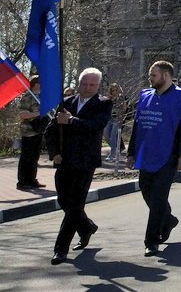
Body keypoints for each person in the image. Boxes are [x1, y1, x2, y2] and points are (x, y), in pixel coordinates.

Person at [44, 68, 112, 265]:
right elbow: (51, 130)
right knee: (64, 201)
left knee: (74, 205)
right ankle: (87, 227)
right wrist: (54, 152)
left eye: (92, 85)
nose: (87, 88)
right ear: (79, 82)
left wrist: (71, 120)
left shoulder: (103, 103)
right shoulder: (67, 102)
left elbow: (95, 126)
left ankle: (60, 249)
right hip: (64, 160)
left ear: (98, 86)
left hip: (85, 161)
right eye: (84, 84)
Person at [127, 61, 181, 256]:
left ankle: (151, 240)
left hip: (169, 155)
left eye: (153, 75)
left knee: (158, 198)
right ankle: (168, 220)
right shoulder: (145, 96)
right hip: (147, 153)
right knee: (147, 191)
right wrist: (131, 152)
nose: (150, 78)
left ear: (166, 76)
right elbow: (137, 127)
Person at [17, 76, 46, 191]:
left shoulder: (41, 97)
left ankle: (32, 179)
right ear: (36, 84)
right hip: (28, 131)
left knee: (34, 157)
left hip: (38, 130)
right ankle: (23, 181)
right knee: (27, 157)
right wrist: (39, 113)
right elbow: (22, 115)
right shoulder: (27, 97)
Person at [103, 83, 128, 163]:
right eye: (112, 90)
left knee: (113, 136)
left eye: (115, 90)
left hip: (118, 119)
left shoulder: (121, 97)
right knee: (106, 135)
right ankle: (117, 149)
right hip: (109, 118)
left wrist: (118, 102)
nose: (114, 92)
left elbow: (124, 108)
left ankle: (111, 155)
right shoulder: (108, 98)